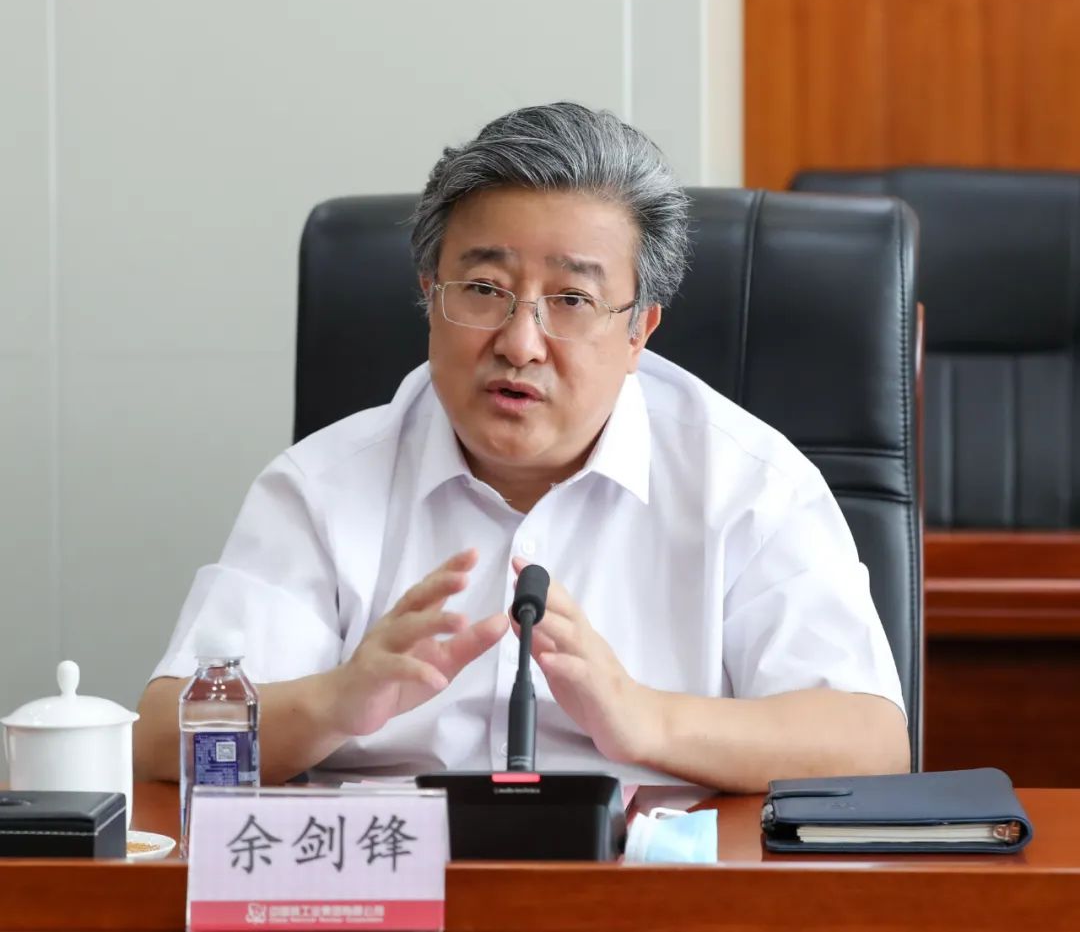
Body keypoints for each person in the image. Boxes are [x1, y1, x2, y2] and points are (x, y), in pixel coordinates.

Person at [135, 102, 909, 791]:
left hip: (647, 883)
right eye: (484, 289)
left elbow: (869, 742)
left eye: (571, 299)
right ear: (429, 295)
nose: (520, 342)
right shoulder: (322, 486)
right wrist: (334, 703)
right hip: (395, 877)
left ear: (639, 331)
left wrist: (642, 717)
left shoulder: (749, 485)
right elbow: (163, 738)